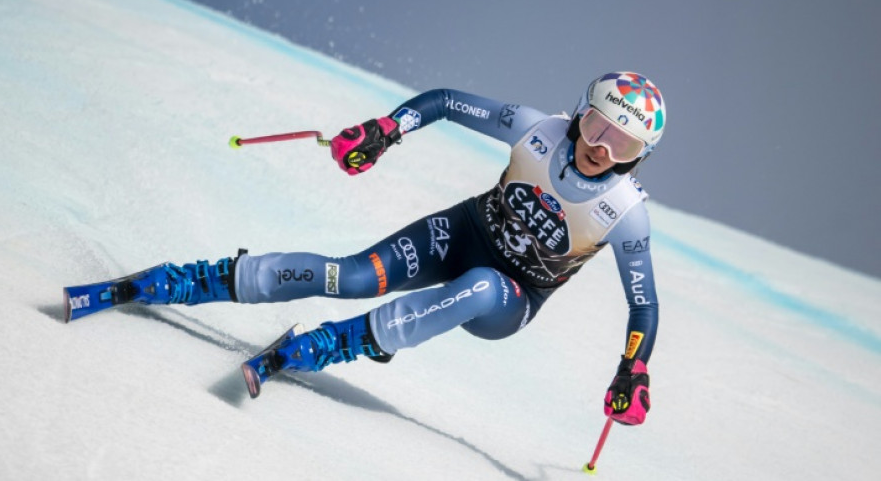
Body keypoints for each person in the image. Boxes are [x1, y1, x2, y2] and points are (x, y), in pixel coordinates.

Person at [72, 71, 664, 426]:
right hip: (460, 233)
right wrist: (386, 130)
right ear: (581, 112)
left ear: (638, 157)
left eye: (620, 144)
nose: (598, 147)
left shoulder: (626, 215)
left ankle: (333, 345)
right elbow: (446, 101)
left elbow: (644, 306)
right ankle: (186, 280)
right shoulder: (536, 128)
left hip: (509, 298)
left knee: (478, 288)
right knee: (349, 277)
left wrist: (631, 369)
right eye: (594, 126)